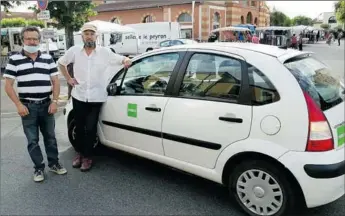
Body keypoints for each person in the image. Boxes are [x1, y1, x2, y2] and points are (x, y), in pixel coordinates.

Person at [57, 23, 132, 172]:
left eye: (92, 33)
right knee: (79, 127)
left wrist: (126, 61)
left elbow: (122, 59)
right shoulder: (74, 51)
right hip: (79, 95)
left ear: (96, 36)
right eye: (86, 34)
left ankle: (87, 157)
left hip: (96, 97)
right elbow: (61, 63)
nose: (89, 36)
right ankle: (79, 154)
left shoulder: (105, 52)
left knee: (91, 128)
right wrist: (69, 79)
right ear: (82, 36)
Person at [3, 26, 67, 182]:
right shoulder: (14, 60)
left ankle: (54, 163)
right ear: (23, 40)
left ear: (39, 40)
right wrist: (18, 105)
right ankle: (38, 168)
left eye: (35, 38)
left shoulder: (47, 58)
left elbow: (56, 81)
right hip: (28, 107)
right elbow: (8, 85)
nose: (32, 41)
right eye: (28, 38)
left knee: (50, 137)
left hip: (47, 105)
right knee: (32, 140)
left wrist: (55, 101)